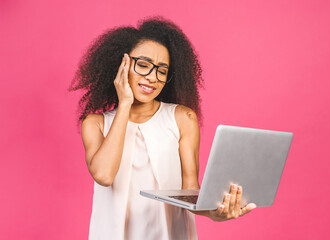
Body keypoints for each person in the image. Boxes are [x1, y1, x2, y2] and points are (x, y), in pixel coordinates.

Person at [69, 16, 256, 240]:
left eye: (162, 70)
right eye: (144, 65)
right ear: (121, 64)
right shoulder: (96, 123)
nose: (152, 77)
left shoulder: (182, 118)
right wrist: (125, 103)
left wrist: (218, 213)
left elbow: (190, 194)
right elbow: (104, 175)